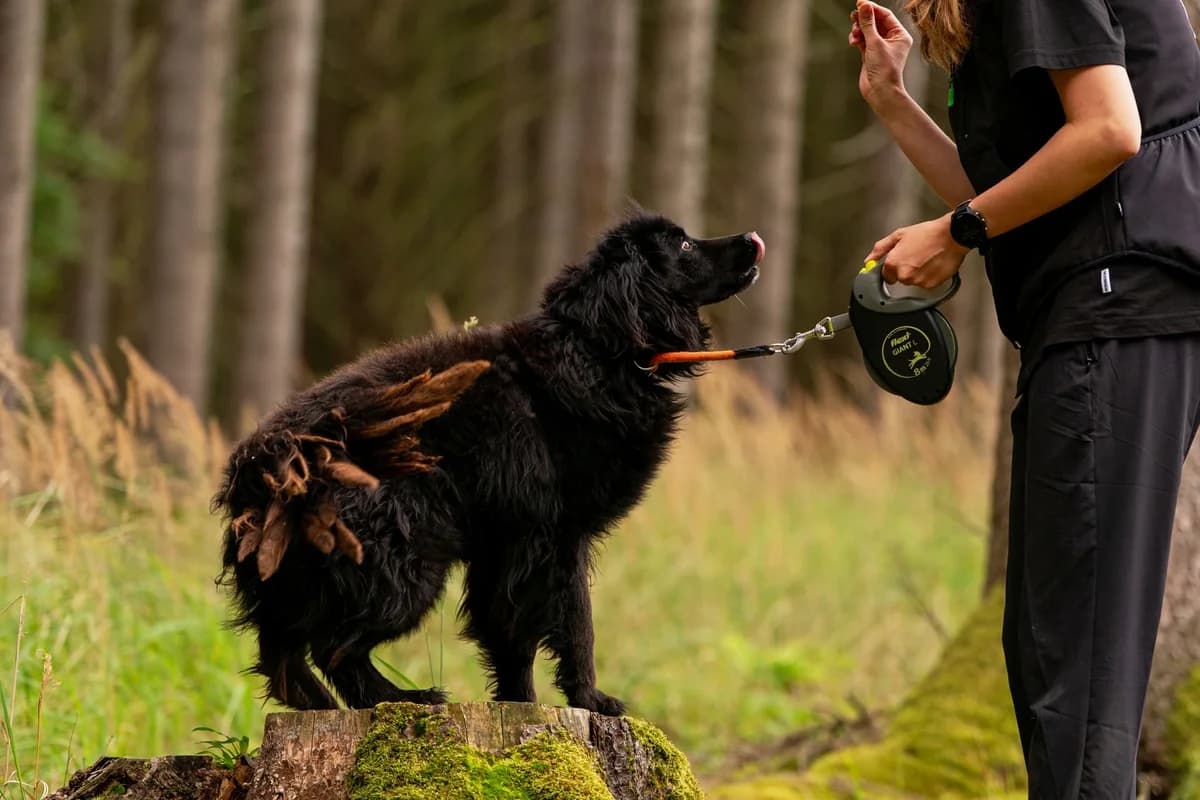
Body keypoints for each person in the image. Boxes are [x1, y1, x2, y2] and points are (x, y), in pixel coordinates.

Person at [849, 0, 1200, 796]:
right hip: (1086, 313)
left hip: (1118, 298)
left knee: (1077, 664)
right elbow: (1004, 194)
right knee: (1048, 647)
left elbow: (1110, 131)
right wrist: (892, 101)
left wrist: (955, 232)